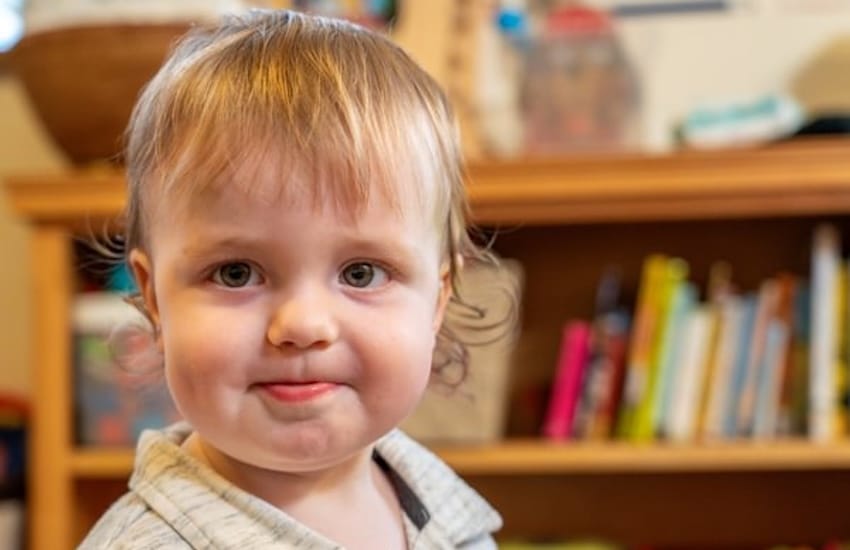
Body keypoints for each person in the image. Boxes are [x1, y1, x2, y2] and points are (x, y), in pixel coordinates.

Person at [79, 8, 513, 550]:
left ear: (436, 302)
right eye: (236, 273)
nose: (303, 325)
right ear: (155, 300)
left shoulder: (440, 507)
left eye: (362, 272)